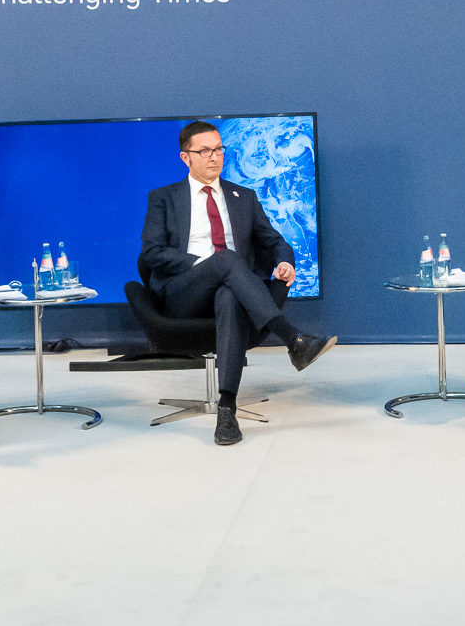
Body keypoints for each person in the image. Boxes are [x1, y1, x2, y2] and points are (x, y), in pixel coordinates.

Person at [138, 119, 334, 445]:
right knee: (226, 259)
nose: (215, 157)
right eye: (205, 151)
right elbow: (153, 252)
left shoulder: (244, 197)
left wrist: (284, 262)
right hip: (183, 293)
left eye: (219, 149)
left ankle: (226, 410)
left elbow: (275, 241)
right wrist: (207, 264)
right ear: (185, 157)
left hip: (233, 289)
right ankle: (292, 338)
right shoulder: (163, 198)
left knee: (229, 294)